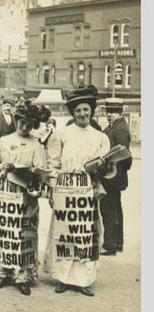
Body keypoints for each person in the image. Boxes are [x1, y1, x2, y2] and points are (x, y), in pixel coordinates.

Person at [44, 85, 110, 297]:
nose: (82, 113)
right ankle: (63, 277)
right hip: (65, 188)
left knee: (85, 234)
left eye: (86, 110)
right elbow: (53, 164)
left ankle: (85, 280)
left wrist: (101, 168)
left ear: (92, 111)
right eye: (78, 110)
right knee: (65, 234)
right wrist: (52, 190)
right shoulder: (61, 134)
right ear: (73, 113)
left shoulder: (101, 137)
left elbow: (107, 168)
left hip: (87, 189)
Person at [0, 100, 51, 296]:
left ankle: (22, 276)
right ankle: (3, 272)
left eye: (29, 125)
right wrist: (2, 167)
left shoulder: (36, 145)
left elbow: (42, 173)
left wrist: (33, 173)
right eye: (21, 122)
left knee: (24, 234)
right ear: (16, 120)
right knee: (5, 231)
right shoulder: (4, 141)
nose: (24, 127)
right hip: (5, 191)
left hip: (25, 194)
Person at [99, 98, 132, 255]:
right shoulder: (117, 126)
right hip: (114, 176)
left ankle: (110, 244)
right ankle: (117, 242)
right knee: (115, 209)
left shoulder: (119, 129)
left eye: (113, 112)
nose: (109, 115)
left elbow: (124, 155)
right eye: (107, 112)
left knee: (109, 210)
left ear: (120, 112)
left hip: (112, 176)